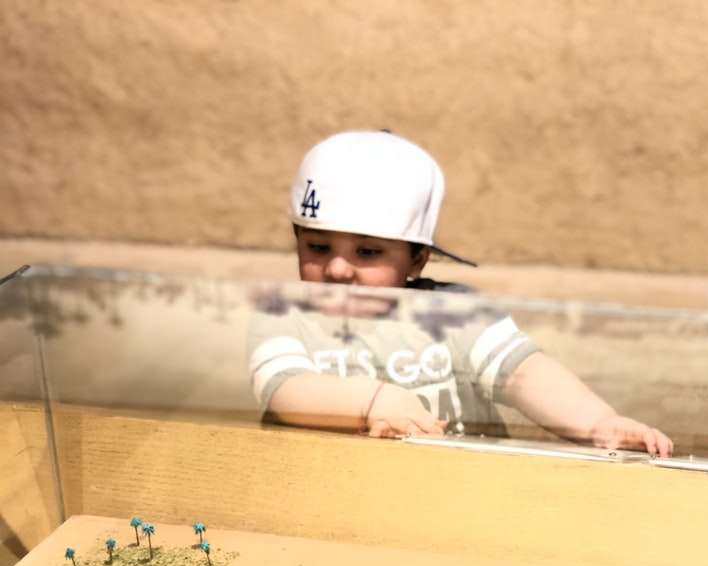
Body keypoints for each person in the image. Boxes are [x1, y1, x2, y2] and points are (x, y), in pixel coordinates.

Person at [248, 130, 673, 456]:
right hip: (332, 502)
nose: (338, 269)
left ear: (417, 260)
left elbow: (522, 372)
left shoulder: (449, 311)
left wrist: (598, 423)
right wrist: (375, 400)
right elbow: (285, 390)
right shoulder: (283, 313)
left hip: (464, 495)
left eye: (368, 251)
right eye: (318, 247)